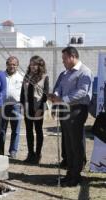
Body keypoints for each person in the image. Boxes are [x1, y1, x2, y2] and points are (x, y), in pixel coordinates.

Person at [49, 46, 93, 187]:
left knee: (76, 144)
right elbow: (59, 88)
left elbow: (82, 92)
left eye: (64, 58)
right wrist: (55, 96)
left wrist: (62, 99)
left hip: (77, 111)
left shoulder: (84, 72)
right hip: (65, 110)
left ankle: (76, 176)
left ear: (72, 56)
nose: (63, 61)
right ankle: (70, 173)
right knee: (68, 144)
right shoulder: (66, 73)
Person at [21, 55, 49, 164]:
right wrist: (22, 105)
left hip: (38, 108)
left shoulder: (44, 77)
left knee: (38, 130)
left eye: (35, 64)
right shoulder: (27, 76)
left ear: (40, 65)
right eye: (31, 64)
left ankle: (38, 154)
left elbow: (45, 95)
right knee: (28, 131)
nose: (32, 66)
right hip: (28, 108)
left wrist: (41, 109)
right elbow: (22, 93)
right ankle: (30, 154)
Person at [1, 56, 23, 159]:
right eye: (10, 64)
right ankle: (0, 150)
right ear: (6, 64)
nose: (12, 66)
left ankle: (13, 151)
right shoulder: (1, 75)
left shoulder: (21, 76)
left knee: (16, 130)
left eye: (14, 64)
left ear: (17, 65)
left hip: (16, 106)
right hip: (3, 106)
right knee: (2, 129)